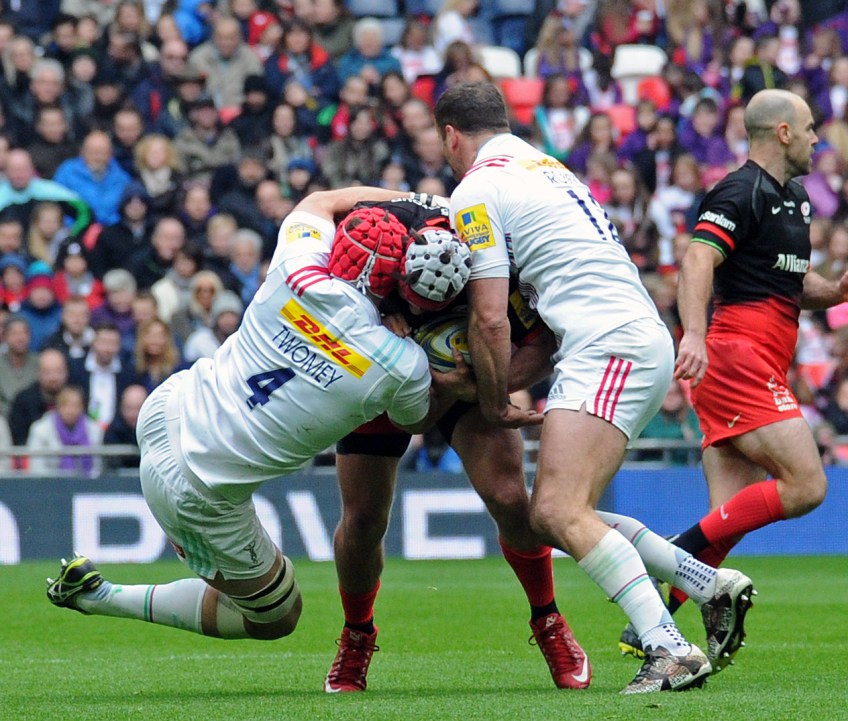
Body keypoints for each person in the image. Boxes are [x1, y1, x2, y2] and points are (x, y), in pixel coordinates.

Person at [45, 187, 474, 650]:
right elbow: (414, 421)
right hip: (197, 486)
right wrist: (460, 386)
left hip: (168, 407)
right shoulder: (400, 362)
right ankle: (100, 596)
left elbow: (319, 201)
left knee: (258, 581)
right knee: (277, 615)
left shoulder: (294, 267)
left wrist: (420, 199)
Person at [433, 81, 755, 694]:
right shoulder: (548, 167)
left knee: (557, 511)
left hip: (608, 345)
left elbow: (491, 316)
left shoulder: (476, 187)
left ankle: (670, 648)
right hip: (624, 337)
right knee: (555, 512)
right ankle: (708, 585)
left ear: (451, 135)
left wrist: (494, 401)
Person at [323, 194, 591, 694]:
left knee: (510, 499)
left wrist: (483, 388)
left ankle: (548, 619)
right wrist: (372, 324)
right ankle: (357, 634)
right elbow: (329, 220)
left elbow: (543, 346)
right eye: (411, 299)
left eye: (432, 307)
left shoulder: (494, 267)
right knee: (362, 521)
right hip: (381, 370)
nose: (416, 310)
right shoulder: (380, 233)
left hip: (467, 376)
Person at [642, 89, 842, 641]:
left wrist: (837, 290)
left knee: (726, 522)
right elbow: (697, 260)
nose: (816, 138)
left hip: (758, 357)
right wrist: (694, 335)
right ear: (783, 132)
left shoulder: (795, 198)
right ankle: (672, 551)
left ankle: (650, 627)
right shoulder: (739, 191)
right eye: (808, 128)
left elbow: (791, 283)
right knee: (807, 485)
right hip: (738, 355)